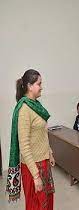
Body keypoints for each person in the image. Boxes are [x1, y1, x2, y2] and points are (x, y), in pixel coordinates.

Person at [6, 69, 55, 209]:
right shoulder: (24, 110)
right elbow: (24, 146)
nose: (42, 87)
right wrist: (35, 175)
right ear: (29, 86)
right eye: (39, 84)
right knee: (36, 205)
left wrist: (49, 152)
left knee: (47, 202)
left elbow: (42, 134)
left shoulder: (37, 106)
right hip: (32, 167)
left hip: (43, 162)